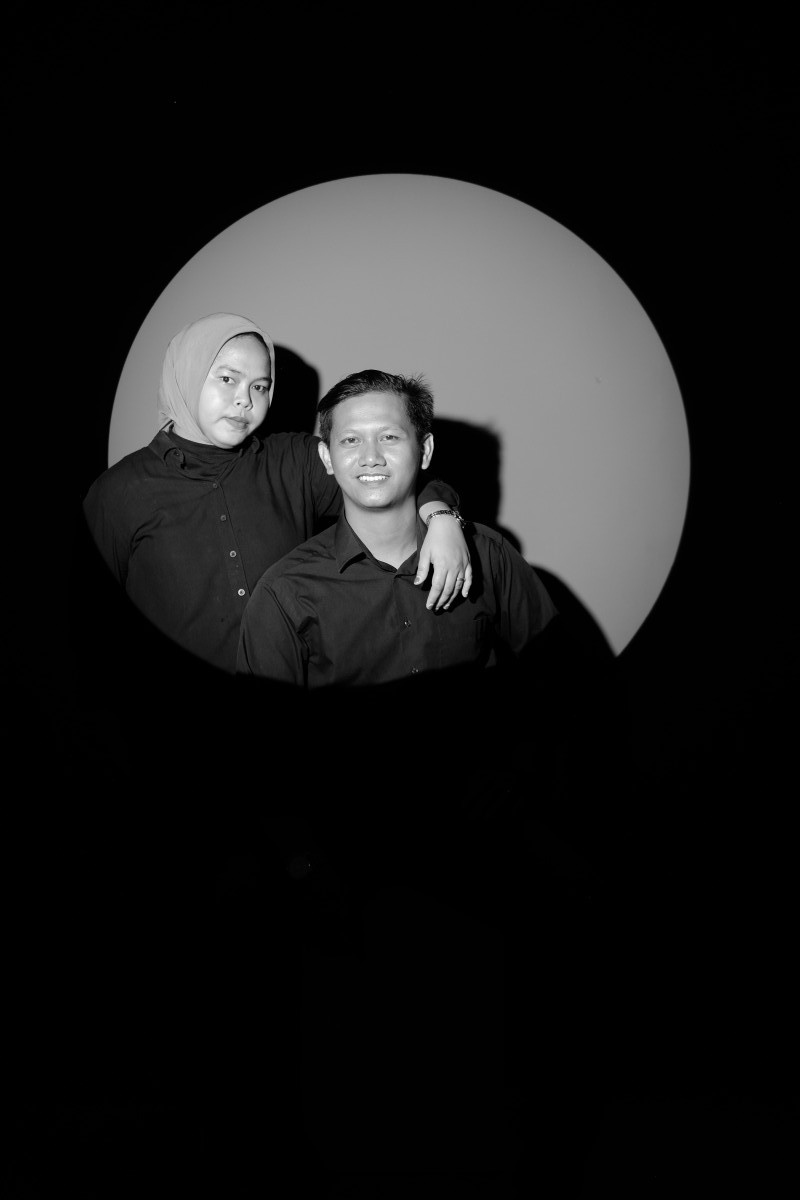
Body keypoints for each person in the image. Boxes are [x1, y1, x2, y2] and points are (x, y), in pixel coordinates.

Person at [82, 314, 472, 675]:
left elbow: (401, 479)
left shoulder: (294, 461)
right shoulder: (120, 491)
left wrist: (441, 518)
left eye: (260, 386)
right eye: (227, 379)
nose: (245, 399)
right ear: (187, 373)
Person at [237, 368, 556, 688]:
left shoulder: (489, 554)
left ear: (425, 451)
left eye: (389, 437)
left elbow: (558, 669)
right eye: (350, 440)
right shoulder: (285, 592)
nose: (371, 457)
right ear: (327, 458)